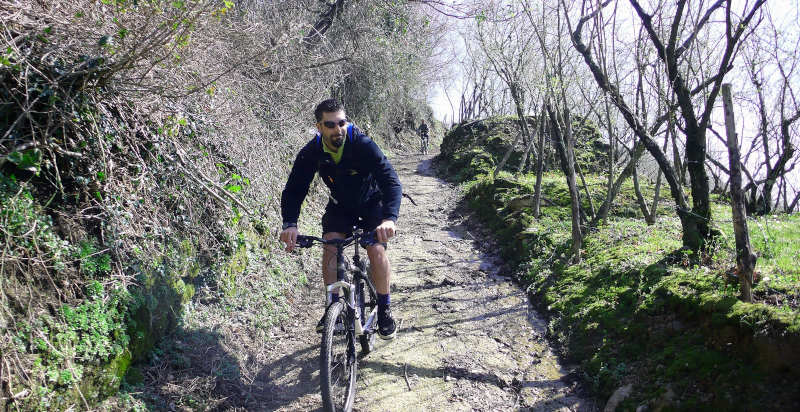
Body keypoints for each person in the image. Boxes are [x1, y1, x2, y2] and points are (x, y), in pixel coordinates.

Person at [280, 99, 402, 340]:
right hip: (340, 206)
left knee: (376, 251)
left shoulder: (363, 144)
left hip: (371, 205)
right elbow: (294, 189)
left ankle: (385, 308)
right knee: (330, 247)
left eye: (342, 123)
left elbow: (390, 180)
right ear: (319, 127)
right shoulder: (311, 152)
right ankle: (331, 307)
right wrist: (290, 223)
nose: (338, 129)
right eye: (330, 125)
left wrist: (389, 218)